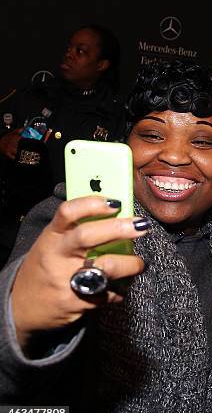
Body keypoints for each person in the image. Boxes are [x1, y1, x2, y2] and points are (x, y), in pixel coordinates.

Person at [0, 60, 212, 413]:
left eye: (202, 141)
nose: (174, 155)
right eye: (152, 135)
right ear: (123, 145)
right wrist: (18, 317)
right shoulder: (74, 220)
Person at [0, 24, 124, 268]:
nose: (69, 54)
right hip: (8, 226)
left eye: (81, 51)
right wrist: (2, 142)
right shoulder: (33, 96)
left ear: (101, 65)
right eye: (69, 48)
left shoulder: (113, 117)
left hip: (63, 238)